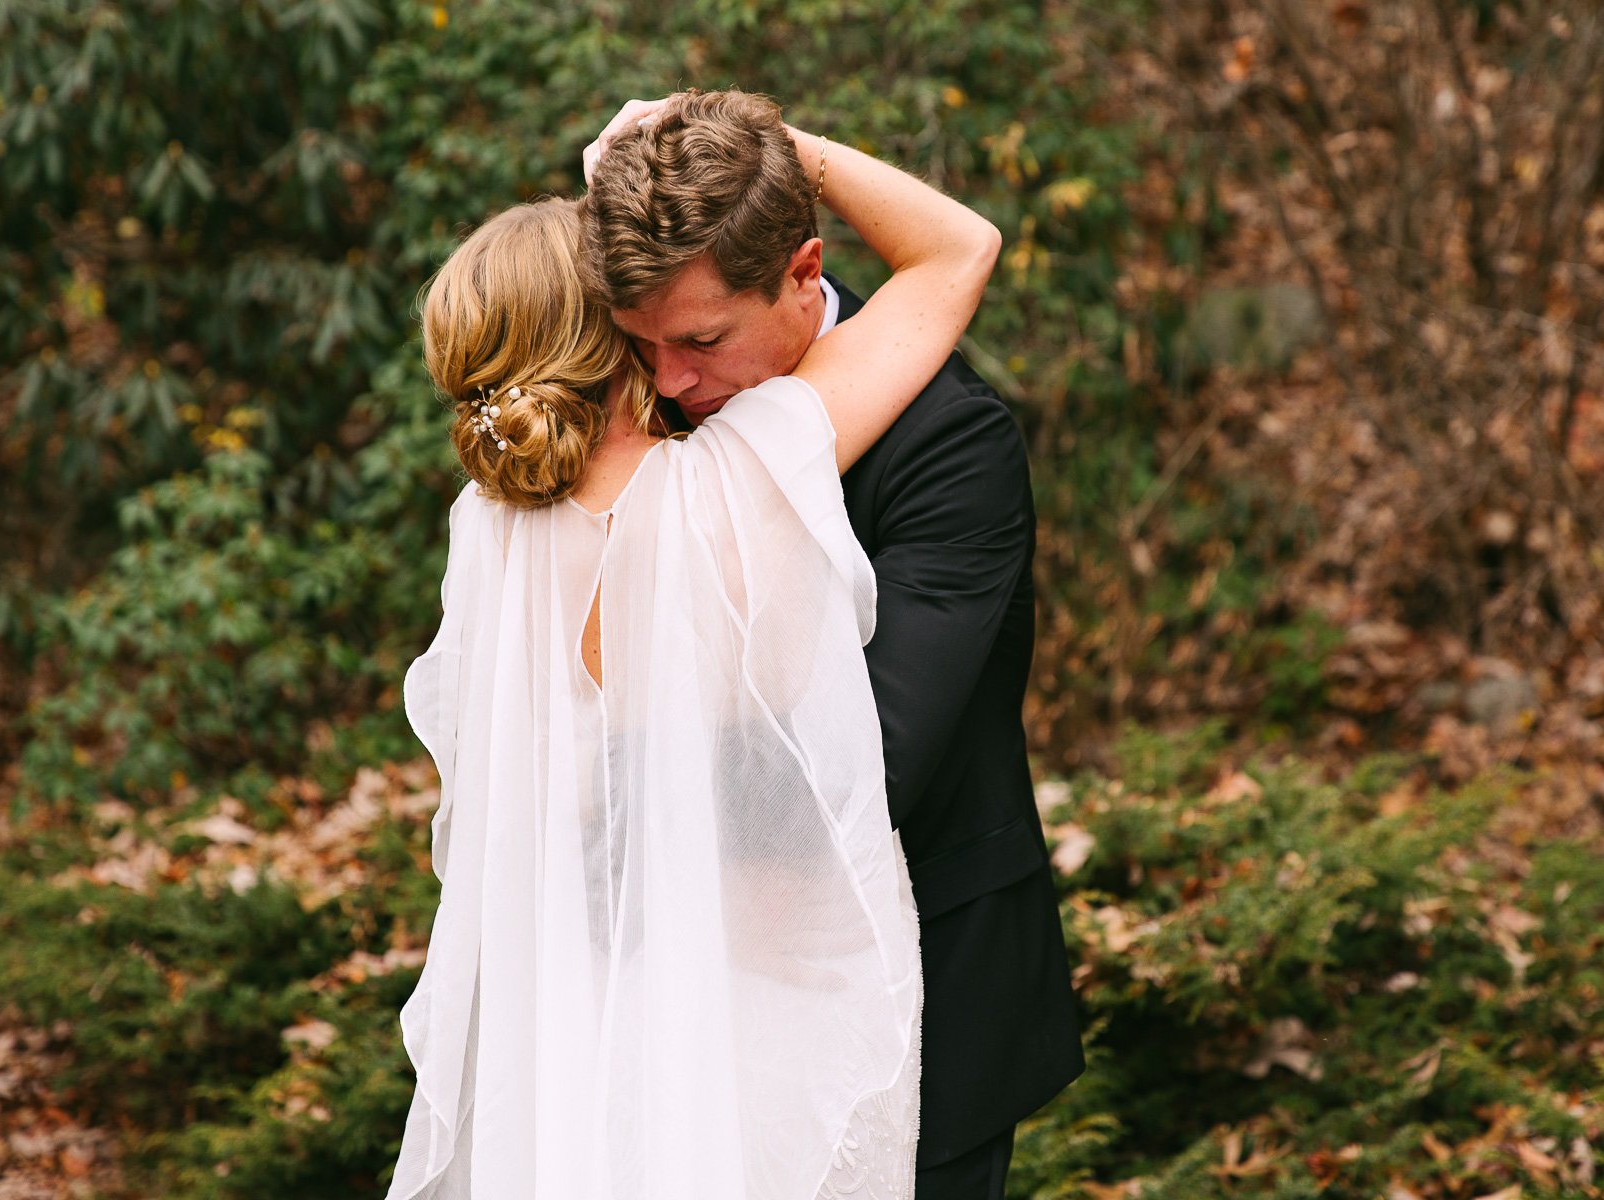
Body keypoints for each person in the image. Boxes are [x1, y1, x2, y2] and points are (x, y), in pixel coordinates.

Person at [386, 110, 1001, 1200]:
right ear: (614, 334)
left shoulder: (484, 531)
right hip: (754, 1038)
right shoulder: (724, 489)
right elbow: (959, 248)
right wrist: (774, 151)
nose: (676, 371)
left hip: (581, 1040)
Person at [579, 90, 1085, 1200]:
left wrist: (789, 151)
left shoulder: (949, 445)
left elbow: (877, 754)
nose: (669, 383)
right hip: (678, 1000)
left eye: (702, 340)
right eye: (642, 344)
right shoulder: (649, 415)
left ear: (805, 272)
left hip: (920, 996)